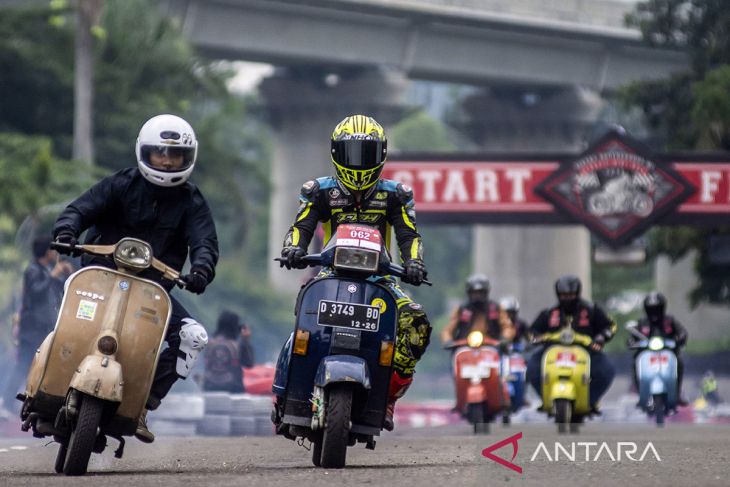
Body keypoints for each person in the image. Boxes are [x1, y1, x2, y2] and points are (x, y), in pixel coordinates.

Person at [52, 114, 219, 443]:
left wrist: (201, 270)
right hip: (98, 279)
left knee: (194, 337)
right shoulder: (120, 184)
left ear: (188, 158)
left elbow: (205, 243)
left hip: (152, 292)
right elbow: (80, 209)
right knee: (61, 320)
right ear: (145, 152)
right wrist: (66, 230)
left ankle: (142, 405)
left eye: (175, 156)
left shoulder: (192, 201)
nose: (167, 161)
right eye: (160, 153)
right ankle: (45, 386)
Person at [278, 114, 431, 431]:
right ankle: (286, 395)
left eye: (368, 154)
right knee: (302, 324)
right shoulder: (318, 191)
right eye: (352, 154)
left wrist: (414, 263)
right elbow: (300, 227)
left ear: (382, 154)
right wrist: (292, 250)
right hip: (329, 277)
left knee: (417, 325)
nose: (359, 163)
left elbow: (409, 236)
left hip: (382, 282)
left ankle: (386, 397)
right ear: (336, 153)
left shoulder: (396, 195)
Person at [1, 236, 73, 414]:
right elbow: (36, 292)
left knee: (36, 364)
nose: (55, 253)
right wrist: (53, 275)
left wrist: (66, 275)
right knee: (24, 364)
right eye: (52, 250)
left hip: (41, 328)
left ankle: (23, 401)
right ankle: (7, 402)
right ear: (46, 251)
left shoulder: (44, 270)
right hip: (31, 328)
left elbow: (57, 291)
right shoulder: (33, 270)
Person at [526, 275, 617, 411]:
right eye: (563, 295)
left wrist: (601, 337)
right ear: (558, 294)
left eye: (570, 295)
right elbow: (532, 330)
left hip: (586, 350)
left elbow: (610, 326)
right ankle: (546, 398)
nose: (567, 298)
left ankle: (590, 400)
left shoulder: (591, 310)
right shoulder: (549, 313)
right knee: (532, 368)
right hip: (552, 350)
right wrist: (537, 338)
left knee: (607, 369)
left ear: (577, 293)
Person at [627, 291, 688, 405]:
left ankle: (677, 393)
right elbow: (632, 337)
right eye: (651, 309)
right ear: (646, 309)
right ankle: (641, 392)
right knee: (635, 361)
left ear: (662, 308)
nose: (654, 312)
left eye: (657, 309)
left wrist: (680, 339)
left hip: (668, 352)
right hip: (646, 353)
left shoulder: (670, 320)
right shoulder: (642, 322)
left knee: (679, 362)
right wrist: (631, 342)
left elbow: (682, 332)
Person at [440, 274, 514, 345]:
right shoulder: (461, 309)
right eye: (474, 293)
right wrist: (447, 340)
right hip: (465, 347)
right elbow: (448, 330)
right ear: (469, 293)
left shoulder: (496, 308)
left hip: (492, 348)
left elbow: (507, 327)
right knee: (455, 357)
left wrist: (504, 339)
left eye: (480, 293)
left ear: (486, 293)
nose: (477, 296)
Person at [204, 310, 255, 393]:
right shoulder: (238, 346)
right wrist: (246, 341)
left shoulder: (208, 344)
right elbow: (249, 363)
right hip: (233, 389)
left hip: (209, 387)